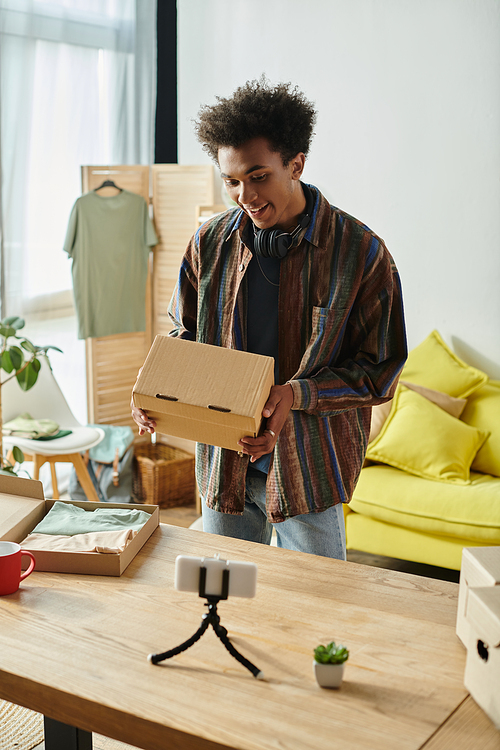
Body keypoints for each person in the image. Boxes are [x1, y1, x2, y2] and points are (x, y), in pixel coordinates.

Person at [132, 78, 407, 559]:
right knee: (222, 605)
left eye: (258, 176)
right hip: (224, 465)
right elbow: (184, 337)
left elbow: (380, 372)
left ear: (296, 164)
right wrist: (157, 387)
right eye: (231, 180)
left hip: (308, 469)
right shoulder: (208, 244)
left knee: (316, 611)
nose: (244, 195)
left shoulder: (360, 254)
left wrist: (295, 394)